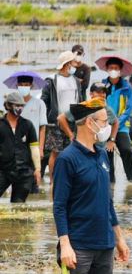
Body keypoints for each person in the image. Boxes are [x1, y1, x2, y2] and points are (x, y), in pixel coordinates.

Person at [52, 98, 132, 274]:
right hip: (78, 246)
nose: (108, 126)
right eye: (104, 121)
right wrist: (65, 244)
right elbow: (59, 206)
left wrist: (119, 237)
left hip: (104, 245)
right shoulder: (68, 159)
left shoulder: (102, 155)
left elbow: (107, 201)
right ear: (89, 123)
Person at [42, 51, 86, 181]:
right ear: (67, 64)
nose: (76, 65)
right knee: (55, 152)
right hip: (56, 122)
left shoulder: (76, 81)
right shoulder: (51, 80)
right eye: (73, 62)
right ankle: (52, 181)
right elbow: (44, 100)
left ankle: (69, 179)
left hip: (73, 121)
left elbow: (81, 100)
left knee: (73, 151)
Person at [99, 58, 132, 184]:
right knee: (106, 154)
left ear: (120, 70)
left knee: (126, 150)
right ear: (107, 69)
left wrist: (116, 123)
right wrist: (106, 124)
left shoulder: (127, 87)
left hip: (121, 126)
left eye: (116, 68)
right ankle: (110, 182)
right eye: (111, 68)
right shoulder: (102, 85)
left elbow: (128, 109)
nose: (113, 70)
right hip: (104, 125)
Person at [0, 91, 39, 202]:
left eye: (22, 105)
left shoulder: (27, 125)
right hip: (3, 170)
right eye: (17, 105)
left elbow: (34, 147)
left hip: (24, 172)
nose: (20, 108)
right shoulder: (1, 125)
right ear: (8, 105)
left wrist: (37, 169)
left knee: (18, 205)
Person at [14, 74, 46, 192]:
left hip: (34, 146)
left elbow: (42, 127)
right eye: (21, 85)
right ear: (17, 86)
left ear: (31, 86)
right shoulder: (13, 104)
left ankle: (33, 201)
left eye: (26, 85)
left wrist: (41, 148)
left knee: (34, 178)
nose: (24, 87)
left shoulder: (39, 103)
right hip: (17, 147)